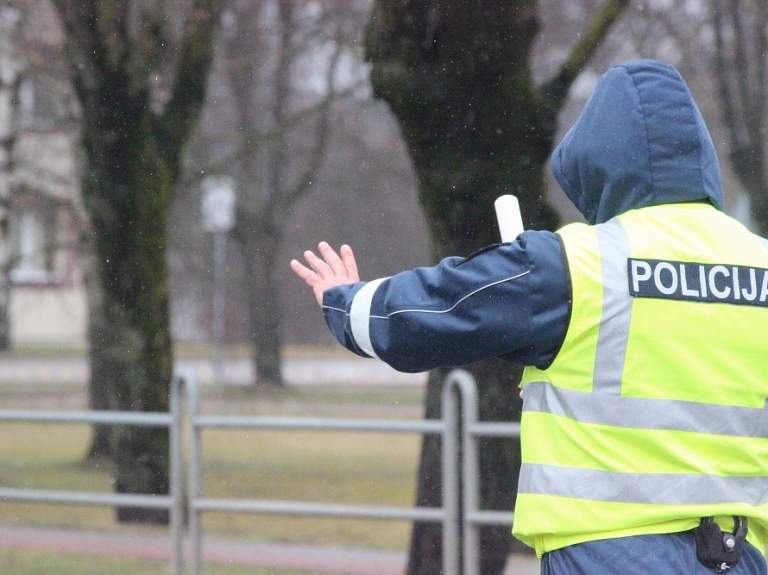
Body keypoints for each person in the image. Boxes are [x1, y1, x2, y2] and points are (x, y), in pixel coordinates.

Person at [290, 60, 768, 574]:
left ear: (601, 161)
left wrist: (343, 300)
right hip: (742, 556)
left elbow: (425, 316)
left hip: (607, 553)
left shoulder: (574, 264)